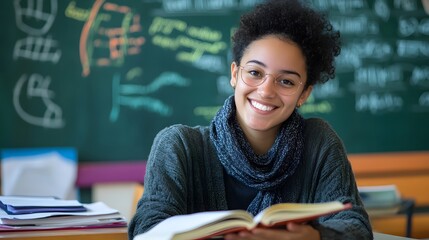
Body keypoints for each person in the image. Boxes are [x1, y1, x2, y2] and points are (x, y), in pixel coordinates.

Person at [128, 0, 373, 239]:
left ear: (304, 93)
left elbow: (356, 227)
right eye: (255, 72)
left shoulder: (319, 143)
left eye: (286, 81)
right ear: (235, 74)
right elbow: (147, 230)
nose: (266, 91)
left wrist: (315, 236)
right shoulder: (178, 146)